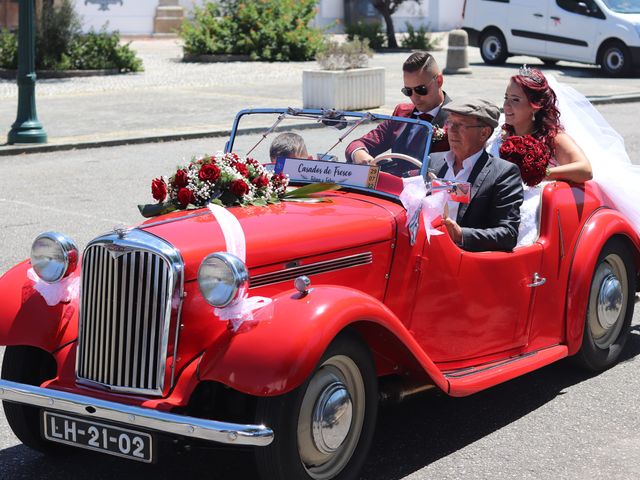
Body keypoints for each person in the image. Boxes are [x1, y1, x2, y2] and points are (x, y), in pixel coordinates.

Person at [487, 66, 593, 246]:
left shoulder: (554, 137)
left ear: (534, 107)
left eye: (515, 100)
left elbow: (585, 169)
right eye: (506, 98)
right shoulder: (499, 133)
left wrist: (542, 173)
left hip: (528, 204)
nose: (506, 106)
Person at [429, 98, 523, 252]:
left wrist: (461, 235)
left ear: (484, 133)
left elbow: (508, 234)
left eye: (461, 125)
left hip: (464, 260)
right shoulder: (434, 160)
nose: (451, 130)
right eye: (450, 123)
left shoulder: (503, 173)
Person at [345, 51, 451, 176]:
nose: (415, 98)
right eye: (408, 91)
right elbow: (358, 144)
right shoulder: (402, 112)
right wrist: (359, 153)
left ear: (439, 81)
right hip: (392, 189)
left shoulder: (457, 120)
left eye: (421, 89)